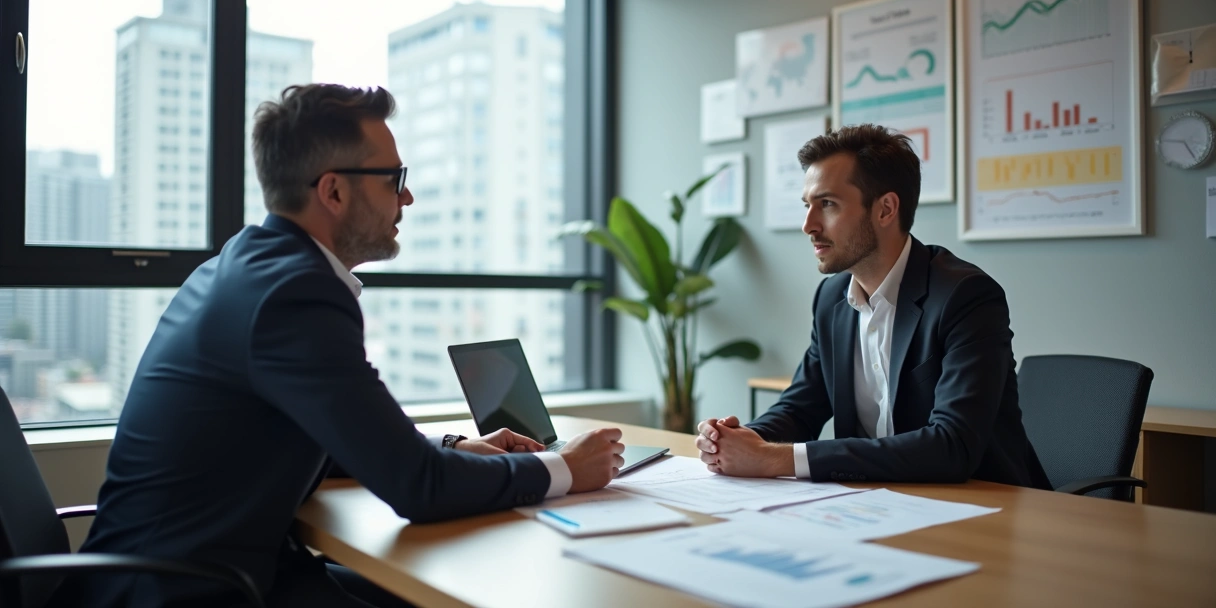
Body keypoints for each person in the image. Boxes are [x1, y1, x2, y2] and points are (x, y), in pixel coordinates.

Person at [50, 84, 625, 608]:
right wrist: (564, 469)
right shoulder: (295, 293)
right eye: (394, 179)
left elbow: (320, 437)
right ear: (333, 191)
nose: (409, 198)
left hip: (189, 573)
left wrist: (451, 446)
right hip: (186, 594)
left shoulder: (245, 263)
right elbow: (417, 488)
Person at [695, 124, 1050, 489]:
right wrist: (739, 438)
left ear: (885, 209)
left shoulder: (965, 296)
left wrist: (774, 459)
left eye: (827, 204)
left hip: (984, 507)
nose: (808, 225)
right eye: (807, 206)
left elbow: (952, 445)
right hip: (877, 502)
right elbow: (801, 407)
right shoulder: (831, 299)